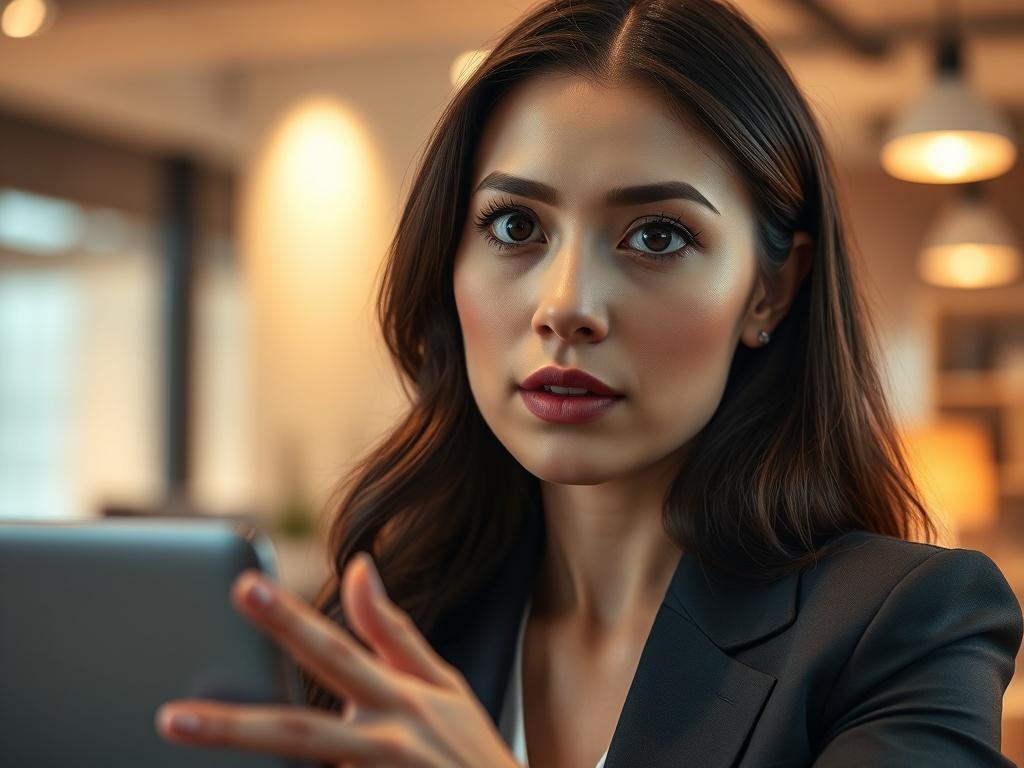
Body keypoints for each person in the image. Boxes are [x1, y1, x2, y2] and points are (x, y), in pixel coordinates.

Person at [155, 0, 1024, 765]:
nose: (566, 306)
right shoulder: (392, 624)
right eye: (515, 224)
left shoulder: (901, 628)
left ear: (770, 290)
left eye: (656, 236)